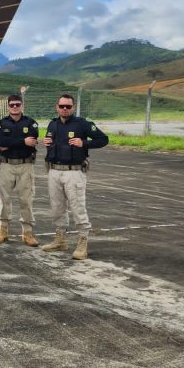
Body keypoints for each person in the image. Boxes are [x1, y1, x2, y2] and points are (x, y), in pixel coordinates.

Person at [42, 94, 108, 260]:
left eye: (68, 106)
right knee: (57, 207)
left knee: (77, 206)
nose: (65, 109)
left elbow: (103, 139)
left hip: (74, 172)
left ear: (73, 107)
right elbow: (51, 141)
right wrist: (47, 142)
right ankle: (60, 240)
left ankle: (82, 242)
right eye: (62, 106)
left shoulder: (82, 124)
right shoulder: (52, 124)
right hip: (54, 170)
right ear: (56, 107)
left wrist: (84, 143)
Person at [0, 94, 39, 247]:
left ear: (22, 105)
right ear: (7, 106)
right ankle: (3, 230)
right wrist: (23, 141)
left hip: (26, 165)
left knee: (26, 199)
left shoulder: (31, 123)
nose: (15, 107)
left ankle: (27, 233)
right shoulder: (0, 124)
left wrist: (11, 144)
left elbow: (32, 141)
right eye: (12, 105)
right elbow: (1, 142)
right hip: (6, 165)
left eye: (17, 104)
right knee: (4, 199)